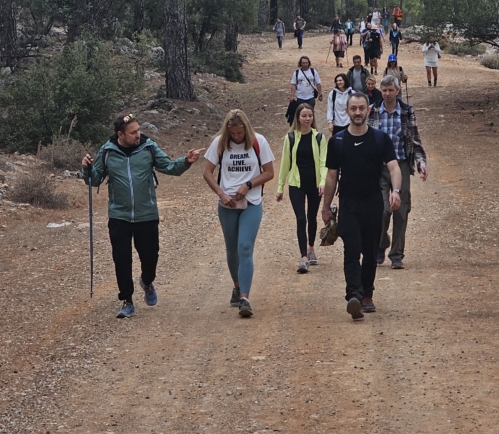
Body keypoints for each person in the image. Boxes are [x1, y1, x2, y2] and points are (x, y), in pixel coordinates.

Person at [81, 113, 203, 318]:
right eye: (133, 132)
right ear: (120, 134)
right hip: (119, 215)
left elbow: (170, 167)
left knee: (150, 256)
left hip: (146, 214)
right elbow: (94, 180)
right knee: (121, 259)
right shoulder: (107, 151)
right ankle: (127, 300)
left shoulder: (148, 147)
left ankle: (147, 281)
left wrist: (187, 161)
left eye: (138, 130)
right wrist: (87, 169)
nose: (138, 135)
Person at [321, 92, 401, 319]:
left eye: (361, 108)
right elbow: (331, 176)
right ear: (346, 111)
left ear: (368, 110)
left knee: (369, 251)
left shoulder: (379, 139)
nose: (357, 112)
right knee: (351, 250)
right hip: (348, 204)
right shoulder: (337, 141)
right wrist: (326, 207)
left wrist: (395, 191)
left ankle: (367, 294)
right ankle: (354, 295)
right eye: (353, 108)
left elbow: (394, 168)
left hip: (374, 203)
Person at [203, 109, 275, 318]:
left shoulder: (258, 141)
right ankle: (236, 285)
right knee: (232, 249)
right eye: (233, 133)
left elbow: (269, 172)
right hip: (227, 204)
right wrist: (221, 193)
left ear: (246, 128)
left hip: (251, 201)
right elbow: (207, 172)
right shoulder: (219, 143)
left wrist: (249, 184)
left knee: (245, 246)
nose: (237, 137)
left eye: (240, 133)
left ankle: (245, 297)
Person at [369, 75, 427, 270]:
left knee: (401, 210)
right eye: (383, 90)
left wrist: (420, 162)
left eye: (390, 90)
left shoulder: (406, 112)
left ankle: (396, 254)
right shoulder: (373, 111)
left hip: (401, 164)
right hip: (379, 166)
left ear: (398, 90)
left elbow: (414, 138)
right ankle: (380, 244)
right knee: (382, 210)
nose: (386, 94)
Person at [276, 102, 327, 273]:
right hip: (296, 183)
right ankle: (303, 256)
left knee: (311, 217)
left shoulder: (319, 137)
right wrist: (280, 187)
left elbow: (323, 163)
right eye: (304, 116)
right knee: (301, 218)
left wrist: (322, 183)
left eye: (310, 115)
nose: (307, 118)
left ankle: (311, 248)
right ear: (298, 117)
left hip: (314, 183)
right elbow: (285, 164)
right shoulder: (290, 138)